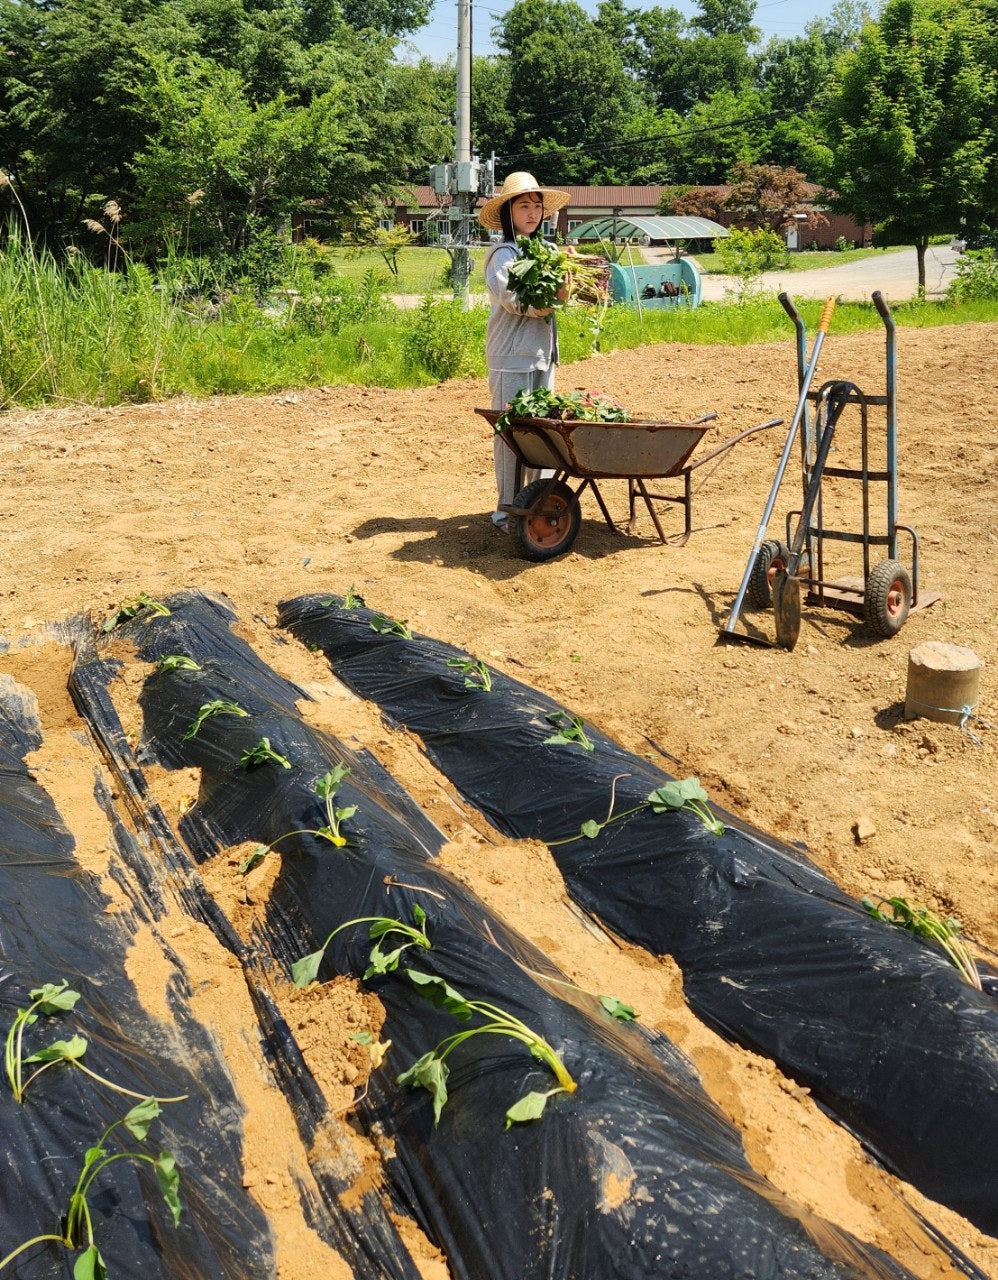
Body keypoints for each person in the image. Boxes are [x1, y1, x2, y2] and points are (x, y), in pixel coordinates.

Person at [478, 171, 571, 532]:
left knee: (542, 435)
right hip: (510, 357)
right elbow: (516, 301)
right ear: (508, 212)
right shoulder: (502, 254)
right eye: (524, 206)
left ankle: (533, 504)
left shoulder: (547, 251)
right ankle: (505, 511)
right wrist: (554, 299)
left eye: (537, 207)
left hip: (543, 354)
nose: (532, 214)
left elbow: (561, 292)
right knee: (512, 437)